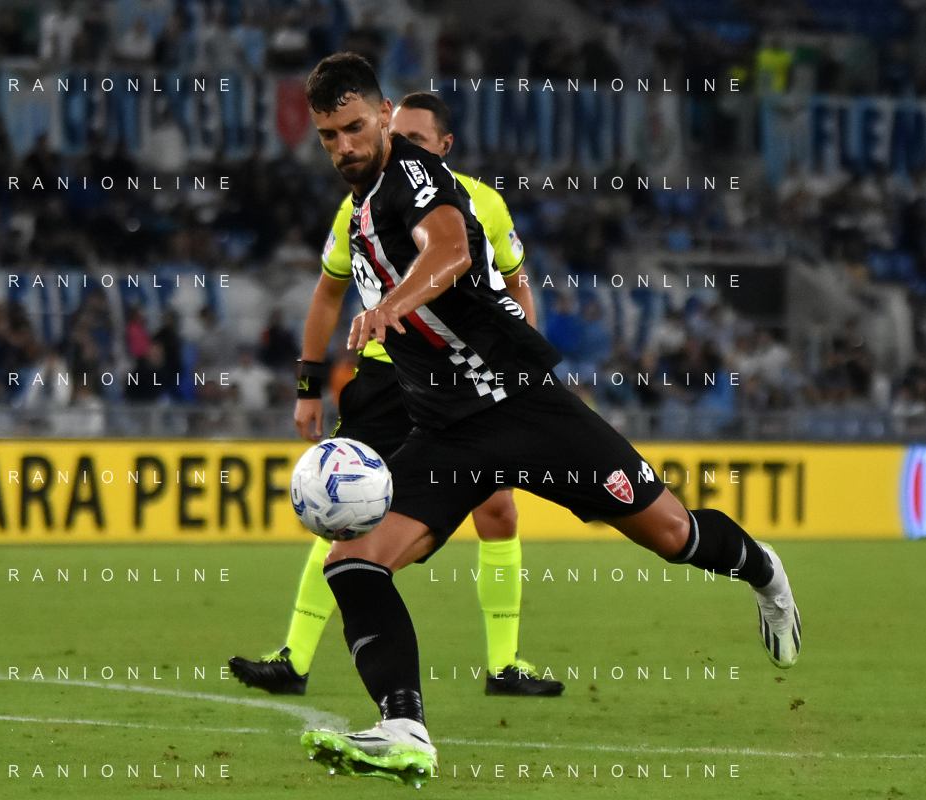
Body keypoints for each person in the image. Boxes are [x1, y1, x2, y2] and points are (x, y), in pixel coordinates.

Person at [295, 54, 801, 787]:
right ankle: (404, 728)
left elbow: (449, 249)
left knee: (672, 535)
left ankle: (764, 572)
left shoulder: (413, 176)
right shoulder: (361, 207)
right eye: (327, 136)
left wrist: (392, 306)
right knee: (352, 563)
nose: (342, 146)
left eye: (352, 127)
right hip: (448, 434)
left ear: (381, 115)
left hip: (526, 409)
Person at [228, 91, 561, 700]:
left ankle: (505, 665)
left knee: (498, 511)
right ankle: (293, 659)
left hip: (462, 378)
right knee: (340, 509)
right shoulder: (359, 204)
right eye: (396, 135)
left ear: (445, 147)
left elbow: (516, 282)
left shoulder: (481, 203)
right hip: (385, 378)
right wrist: (307, 386)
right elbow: (327, 293)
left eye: (417, 139)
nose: (401, 147)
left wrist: (519, 366)